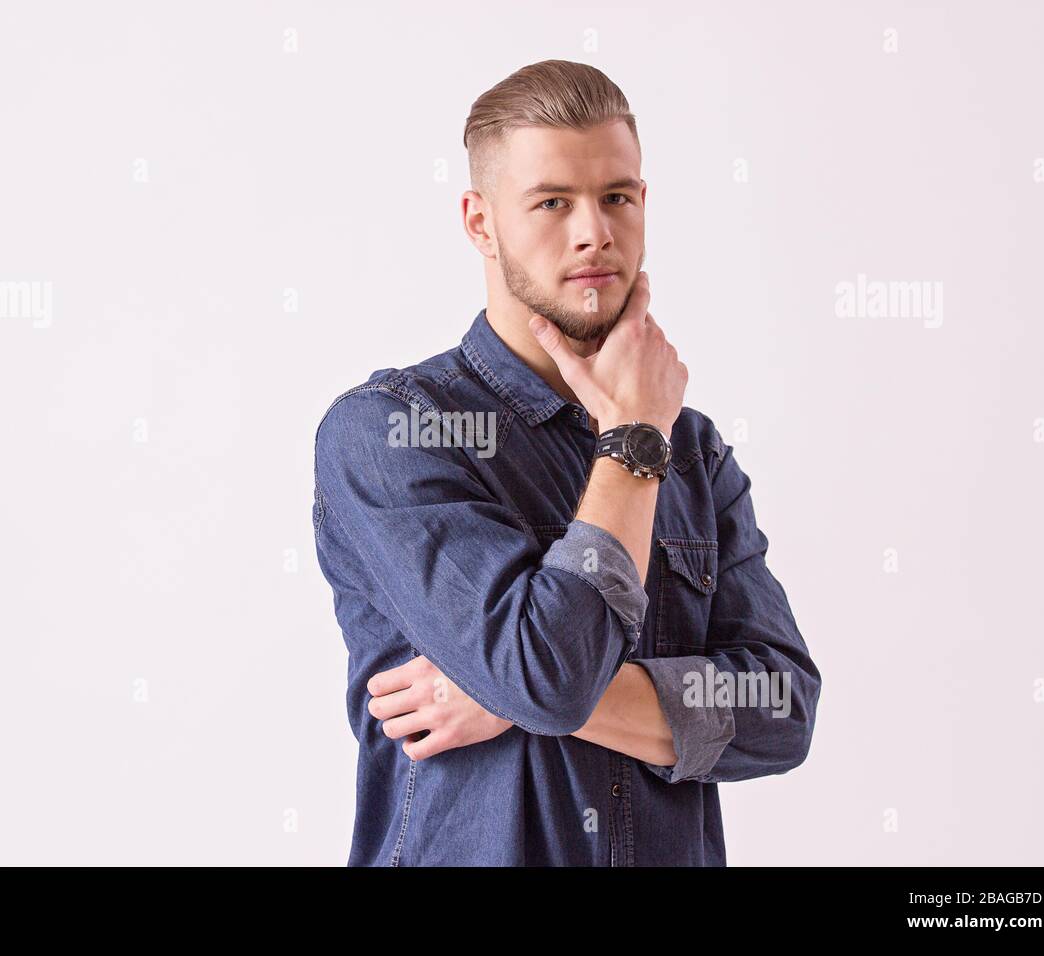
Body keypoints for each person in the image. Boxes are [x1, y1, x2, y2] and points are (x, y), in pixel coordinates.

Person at [311, 59, 821, 866]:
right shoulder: (390, 433)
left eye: (616, 196)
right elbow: (546, 674)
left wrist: (521, 698)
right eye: (552, 202)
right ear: (481, 222)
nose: (595, 232)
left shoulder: (694, 449)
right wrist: (632, 444)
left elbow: (784, 707)